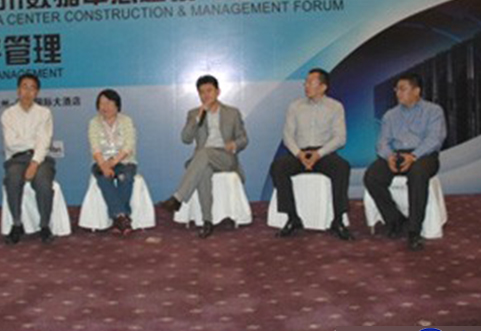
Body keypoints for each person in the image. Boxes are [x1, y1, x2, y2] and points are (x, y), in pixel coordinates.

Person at [363, 72, 447, 251]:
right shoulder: (390, 115)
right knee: (372, 176)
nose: (398, 93)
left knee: (417, 173)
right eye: (396, 89)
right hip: (397, 154)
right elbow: (382, 142)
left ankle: (414, 230)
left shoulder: (433, 111)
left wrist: (414, 156)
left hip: (424, 155)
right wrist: (389, 156)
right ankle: (395, 219)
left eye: (403, 89)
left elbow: (434, 139)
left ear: (416, 91)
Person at [159, 75, 248, 238]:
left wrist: (234, 144)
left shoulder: (232, 113)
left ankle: (178, 198)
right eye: (202, 92)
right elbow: (185, 139)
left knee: (203, 154)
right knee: (204, 170)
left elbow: (244, 139)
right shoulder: (194, 113)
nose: (206, 95)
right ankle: (207, 221)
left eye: (209, 91)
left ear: (218, 91)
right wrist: (197, 118)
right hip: (204, 159)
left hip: (226, 158)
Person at [270, 68, 353, 240]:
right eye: (305, 83)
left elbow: (340, 138)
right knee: (278, 167)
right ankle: (292, 217)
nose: (306, 86)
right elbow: (287, 136)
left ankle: (338, 220)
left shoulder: (335, 107)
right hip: (300, 153)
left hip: (324, 153)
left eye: (310, 83)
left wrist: (319, 154)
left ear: (323, 87)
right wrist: (299, 154)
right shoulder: (295, 106)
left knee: (342, 167)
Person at [1, 73, 56, 244]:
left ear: (37, 92)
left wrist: (34, 162)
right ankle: (17, 224)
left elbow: (44, 141)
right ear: (18, 90)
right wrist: (33, 141)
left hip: (40, 159)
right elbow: (11, 143)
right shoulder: (8, 114)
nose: (27, 91)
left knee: (43, 182)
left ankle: (44, 225)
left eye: (32, 88)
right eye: (24, 87)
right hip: (16, 159)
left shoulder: (44, 113)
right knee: (13, 179)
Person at [88, 89, 138, 235]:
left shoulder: (126, 121)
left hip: (125, 161)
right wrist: (104, 166)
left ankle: (118, 217)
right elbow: (95, 147)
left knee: (125, 177)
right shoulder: (94, 122)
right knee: (104, 178)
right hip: (101, 162)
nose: (105, 107)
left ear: (117, 105)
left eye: (109, 103)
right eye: (101, 103)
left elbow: (128, 146)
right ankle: (123, 216)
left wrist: (112, 163)